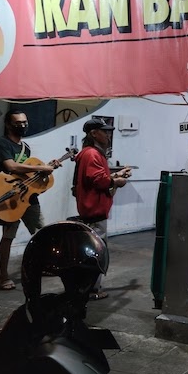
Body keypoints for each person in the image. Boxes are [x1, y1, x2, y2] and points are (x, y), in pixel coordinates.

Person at [0, 109, 61, 291]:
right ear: (8, 124)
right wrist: (42, 168)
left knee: (41, 232)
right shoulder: (2, 143)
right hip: (10, 196)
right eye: (18, 123)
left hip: (28, 197)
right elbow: (11, 166)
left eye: (24, 122)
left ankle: (44, 265)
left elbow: (27, 174)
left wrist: (47, 168)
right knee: (8, 236)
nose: (22, 126)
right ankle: (3, 276)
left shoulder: (26, 147)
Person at [73, 117, 131, 300]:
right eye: (104, 132)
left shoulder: (88, 153)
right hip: (94, 211)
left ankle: (88, 287)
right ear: (93, 133)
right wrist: (117, 181)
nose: (108, 135)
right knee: (97, 251)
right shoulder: (92, 154)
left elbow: (97, 177)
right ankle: (91, 289)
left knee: (93, 249)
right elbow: (98, 180)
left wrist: (116, 175)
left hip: (92, 210)